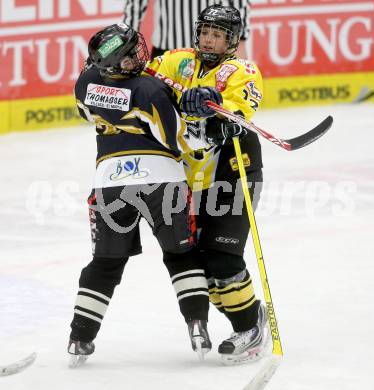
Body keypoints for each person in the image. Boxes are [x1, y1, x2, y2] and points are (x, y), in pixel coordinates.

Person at [67, 23, 213, 367]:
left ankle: (79, 338)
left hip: (110, 184)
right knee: (181, 255)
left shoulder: (85, 82)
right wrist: (200, 124)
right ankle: (197, 325)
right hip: (161, 181)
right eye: (131, 54)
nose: (139, 55)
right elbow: (180, 142)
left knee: (105, 263)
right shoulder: (150, 90)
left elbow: (91, 109)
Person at [147, 4, 268, 365]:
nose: (209, 40)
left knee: (222, 256)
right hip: (193, 177)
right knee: (199, 263)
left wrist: (212, 104)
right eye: (205, 32)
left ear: (232, 41)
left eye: (217, 35)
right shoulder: (179, 61)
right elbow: (144, 77)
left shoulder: (243, 70)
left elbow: (236, 112)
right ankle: (247, 320)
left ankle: (249, 326)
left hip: (235, 170)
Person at [123, 0, 252, 58]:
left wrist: (238, 41)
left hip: (213, 52)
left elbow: (239, 4)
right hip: (167, 50)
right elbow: (135, 4)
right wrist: (126, 41)